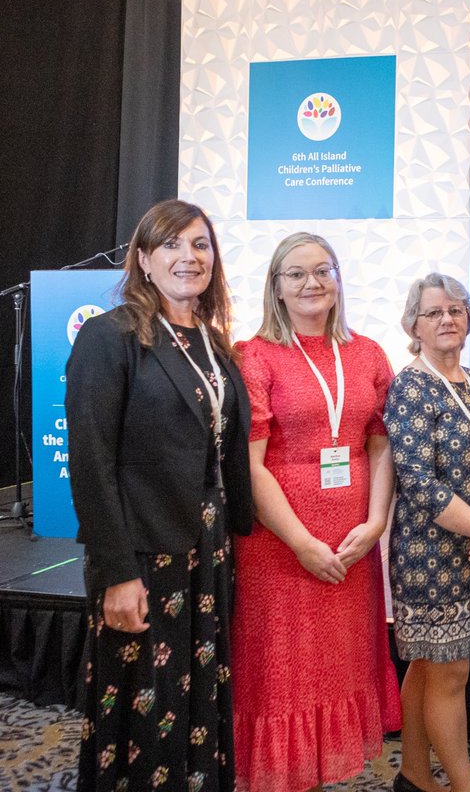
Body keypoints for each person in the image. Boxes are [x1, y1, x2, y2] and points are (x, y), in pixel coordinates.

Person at [66, 199, 252, 791]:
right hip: (143, 556)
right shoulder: (110, 337)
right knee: (146, 708)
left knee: (198, 696)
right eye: (171, 245)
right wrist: (117, 573)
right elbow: (91, 464)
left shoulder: (215, 345)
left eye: (200, 244)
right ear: (144, 260)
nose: (188, 257)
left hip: (209, 550)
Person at [230, 233, 402, 791]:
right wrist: (303, 543)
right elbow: (249, 465)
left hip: (352, 545)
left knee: (335, 672)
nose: (312, 284)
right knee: (282, 680)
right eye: (297, 274)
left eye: (323, 271)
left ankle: (317, 777)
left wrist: (375, 524)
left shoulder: (368, 352)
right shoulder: (253, 356)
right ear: (276, 288)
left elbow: (380, 443)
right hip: (279, 548)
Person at [386, 273, 470, 792]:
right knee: (450, 675)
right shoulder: (409, 386)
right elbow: (418, 483)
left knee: (427, 667)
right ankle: (467, 787)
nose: (447, 319)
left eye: (456, 310)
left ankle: (414, 776)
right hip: (429, 554)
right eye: (434, 312)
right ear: (414, 324)